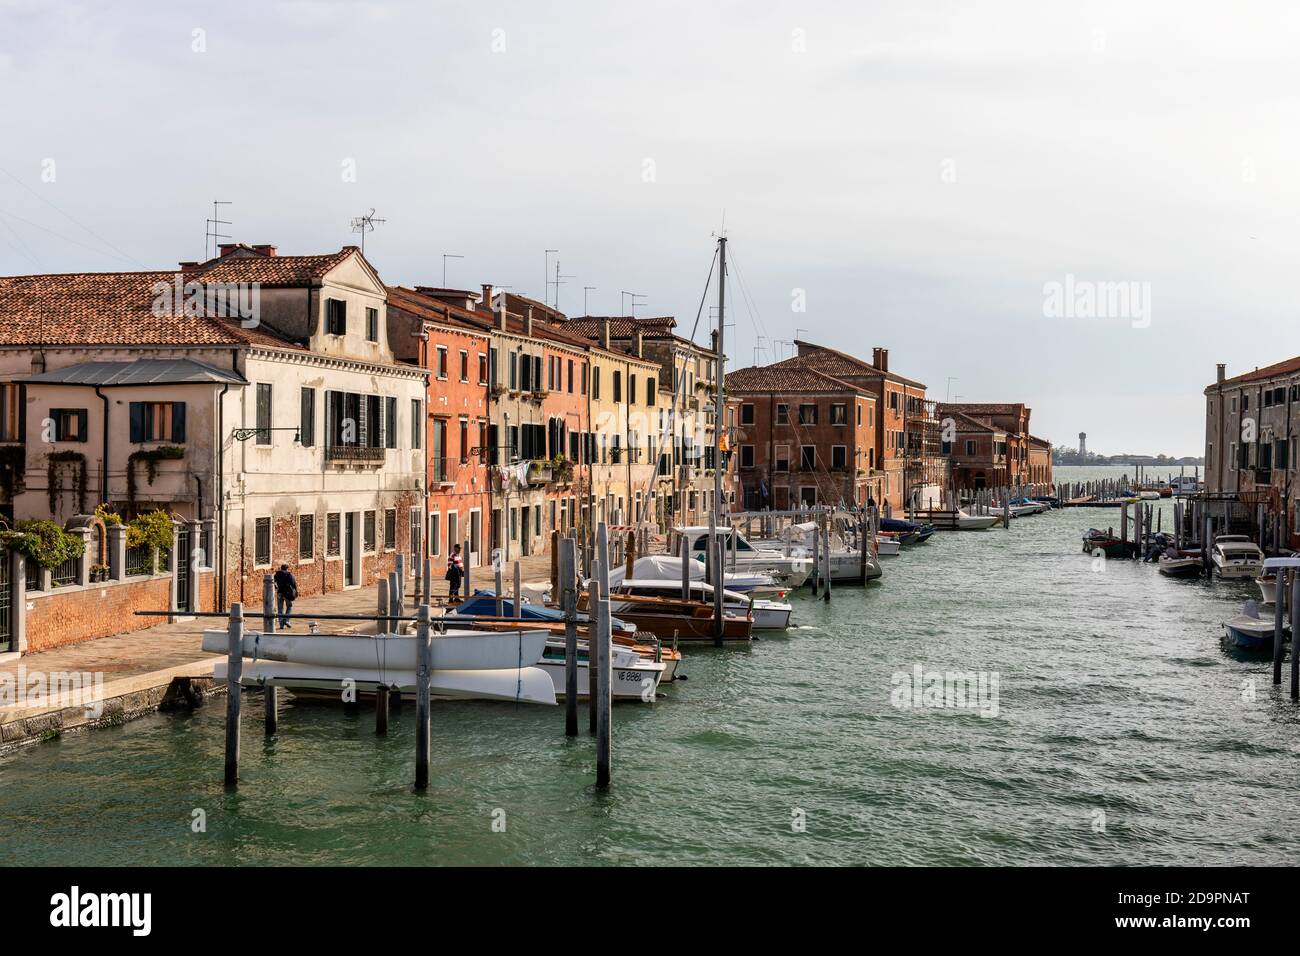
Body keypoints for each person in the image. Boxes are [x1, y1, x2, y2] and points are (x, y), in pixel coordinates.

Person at [273, 563, 298, 630]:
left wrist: (276, 587)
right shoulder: (289, 574)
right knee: (289, 606)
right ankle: (286, 620)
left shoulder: (277, 574)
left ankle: (281, 625)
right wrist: (296, 592)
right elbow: (294, 584)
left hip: (279, 593)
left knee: (280, 609)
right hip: (287, 594)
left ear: (281, 568)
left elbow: (273, 582)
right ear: (287, 568)